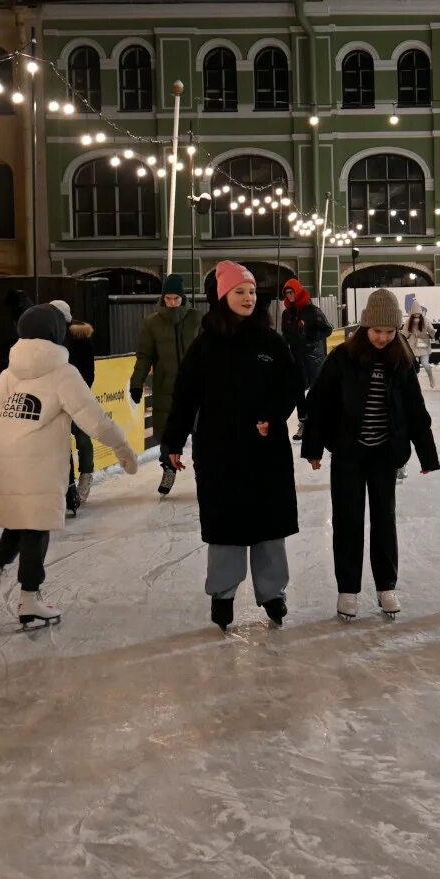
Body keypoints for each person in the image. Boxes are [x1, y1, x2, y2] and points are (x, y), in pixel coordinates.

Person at [0, 304, 139, 628]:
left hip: (5, 460)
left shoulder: (9, 374)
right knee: (35, 528)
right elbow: (94, 419)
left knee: (19, 522)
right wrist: (121, 446)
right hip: (39, 461)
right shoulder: (63, 373)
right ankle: (30, 599)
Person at [161, 262, 304, 632]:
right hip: (220, 450)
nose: (248, 298)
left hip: (265, 448)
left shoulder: (271, 342)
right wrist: (173, 441)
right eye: (240, 291)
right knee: (226, 526)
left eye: (253, 292)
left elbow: (291, 386)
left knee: (269, 526)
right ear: (222, 296)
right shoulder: (206, 345)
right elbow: (185, 396)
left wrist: (272, 416)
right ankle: (222, 594)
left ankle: (273, 592)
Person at [303, 289, 440, 620]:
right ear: (365, 327)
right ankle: (348, 590)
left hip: (384, 454)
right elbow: (319, 403)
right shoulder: (342, 358)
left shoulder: (401, 360)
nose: (382, 337)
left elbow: (415, 409)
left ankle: (386, 587)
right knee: (347, 521)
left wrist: (427, 454)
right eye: (377, 331)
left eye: (389, 331)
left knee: (384, 521)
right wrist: (313, 446)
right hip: (349, 453)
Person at [130, 274, 201, 496]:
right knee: (169, 434)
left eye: (176, 298)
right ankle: (168, 467)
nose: (172, 303)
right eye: (168, 298)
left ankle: (204, 473)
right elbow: (144, 356)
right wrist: (136, 384)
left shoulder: (196, 319)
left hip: (197, 389)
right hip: (167, 388)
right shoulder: (152, 323)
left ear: (183, 297)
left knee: (202, 432)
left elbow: (211, 352)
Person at [51, 301, 98, 515]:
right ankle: (63, 484)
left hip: (77, 395)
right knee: (59, 441)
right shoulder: (50, 337)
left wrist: (79, 392)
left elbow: (88, 371)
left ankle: (86, 475)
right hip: (55, 397)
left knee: (81, 437)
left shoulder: (79, 337)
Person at [280, 279, 333, 436]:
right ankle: (303, 422)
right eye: (287, 293)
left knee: (314, 390)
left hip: (312, 357)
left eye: (292, 292)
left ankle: (317, 421)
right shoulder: (286, 314)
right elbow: (285, 334)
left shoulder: (312, 310)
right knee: (298, 390)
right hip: (295, 356)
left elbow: (327, 329)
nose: (290, 296)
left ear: (298, 291)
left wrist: (312, 338)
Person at [403, 297, 435, 390]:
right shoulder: (408, 322)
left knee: (425, 364)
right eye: (414, 313)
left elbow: (431, 330)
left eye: (418, 313)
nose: (416, 315)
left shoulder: (425, 320)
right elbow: (404, 333)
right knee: (414, 366)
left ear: (420, 313)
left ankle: (431, 377)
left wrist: (435, 335)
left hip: (424, 345)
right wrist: (403, 337)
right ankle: (414, 383)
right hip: (413, 346)